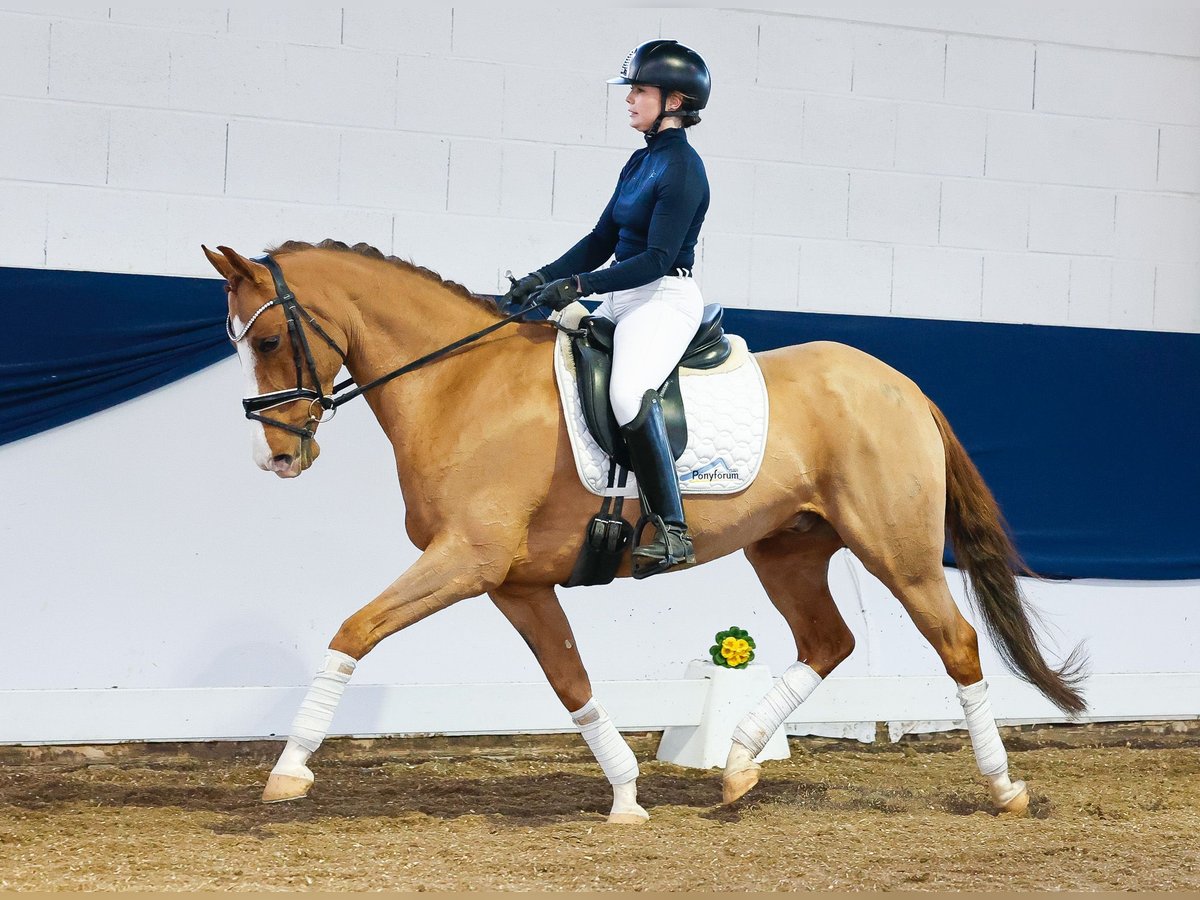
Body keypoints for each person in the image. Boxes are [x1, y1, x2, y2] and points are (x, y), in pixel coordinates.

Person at [504, 39, 712, 579]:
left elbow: (654, 259)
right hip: (624, 294)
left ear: (674, 100)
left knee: (626, 393)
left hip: (663, 295)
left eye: (640, 90)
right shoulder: (639, 162)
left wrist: (577, 286)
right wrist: (540, 279)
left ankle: (672, 529)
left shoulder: (684, 169)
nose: (630, 100)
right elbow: (601, 240)